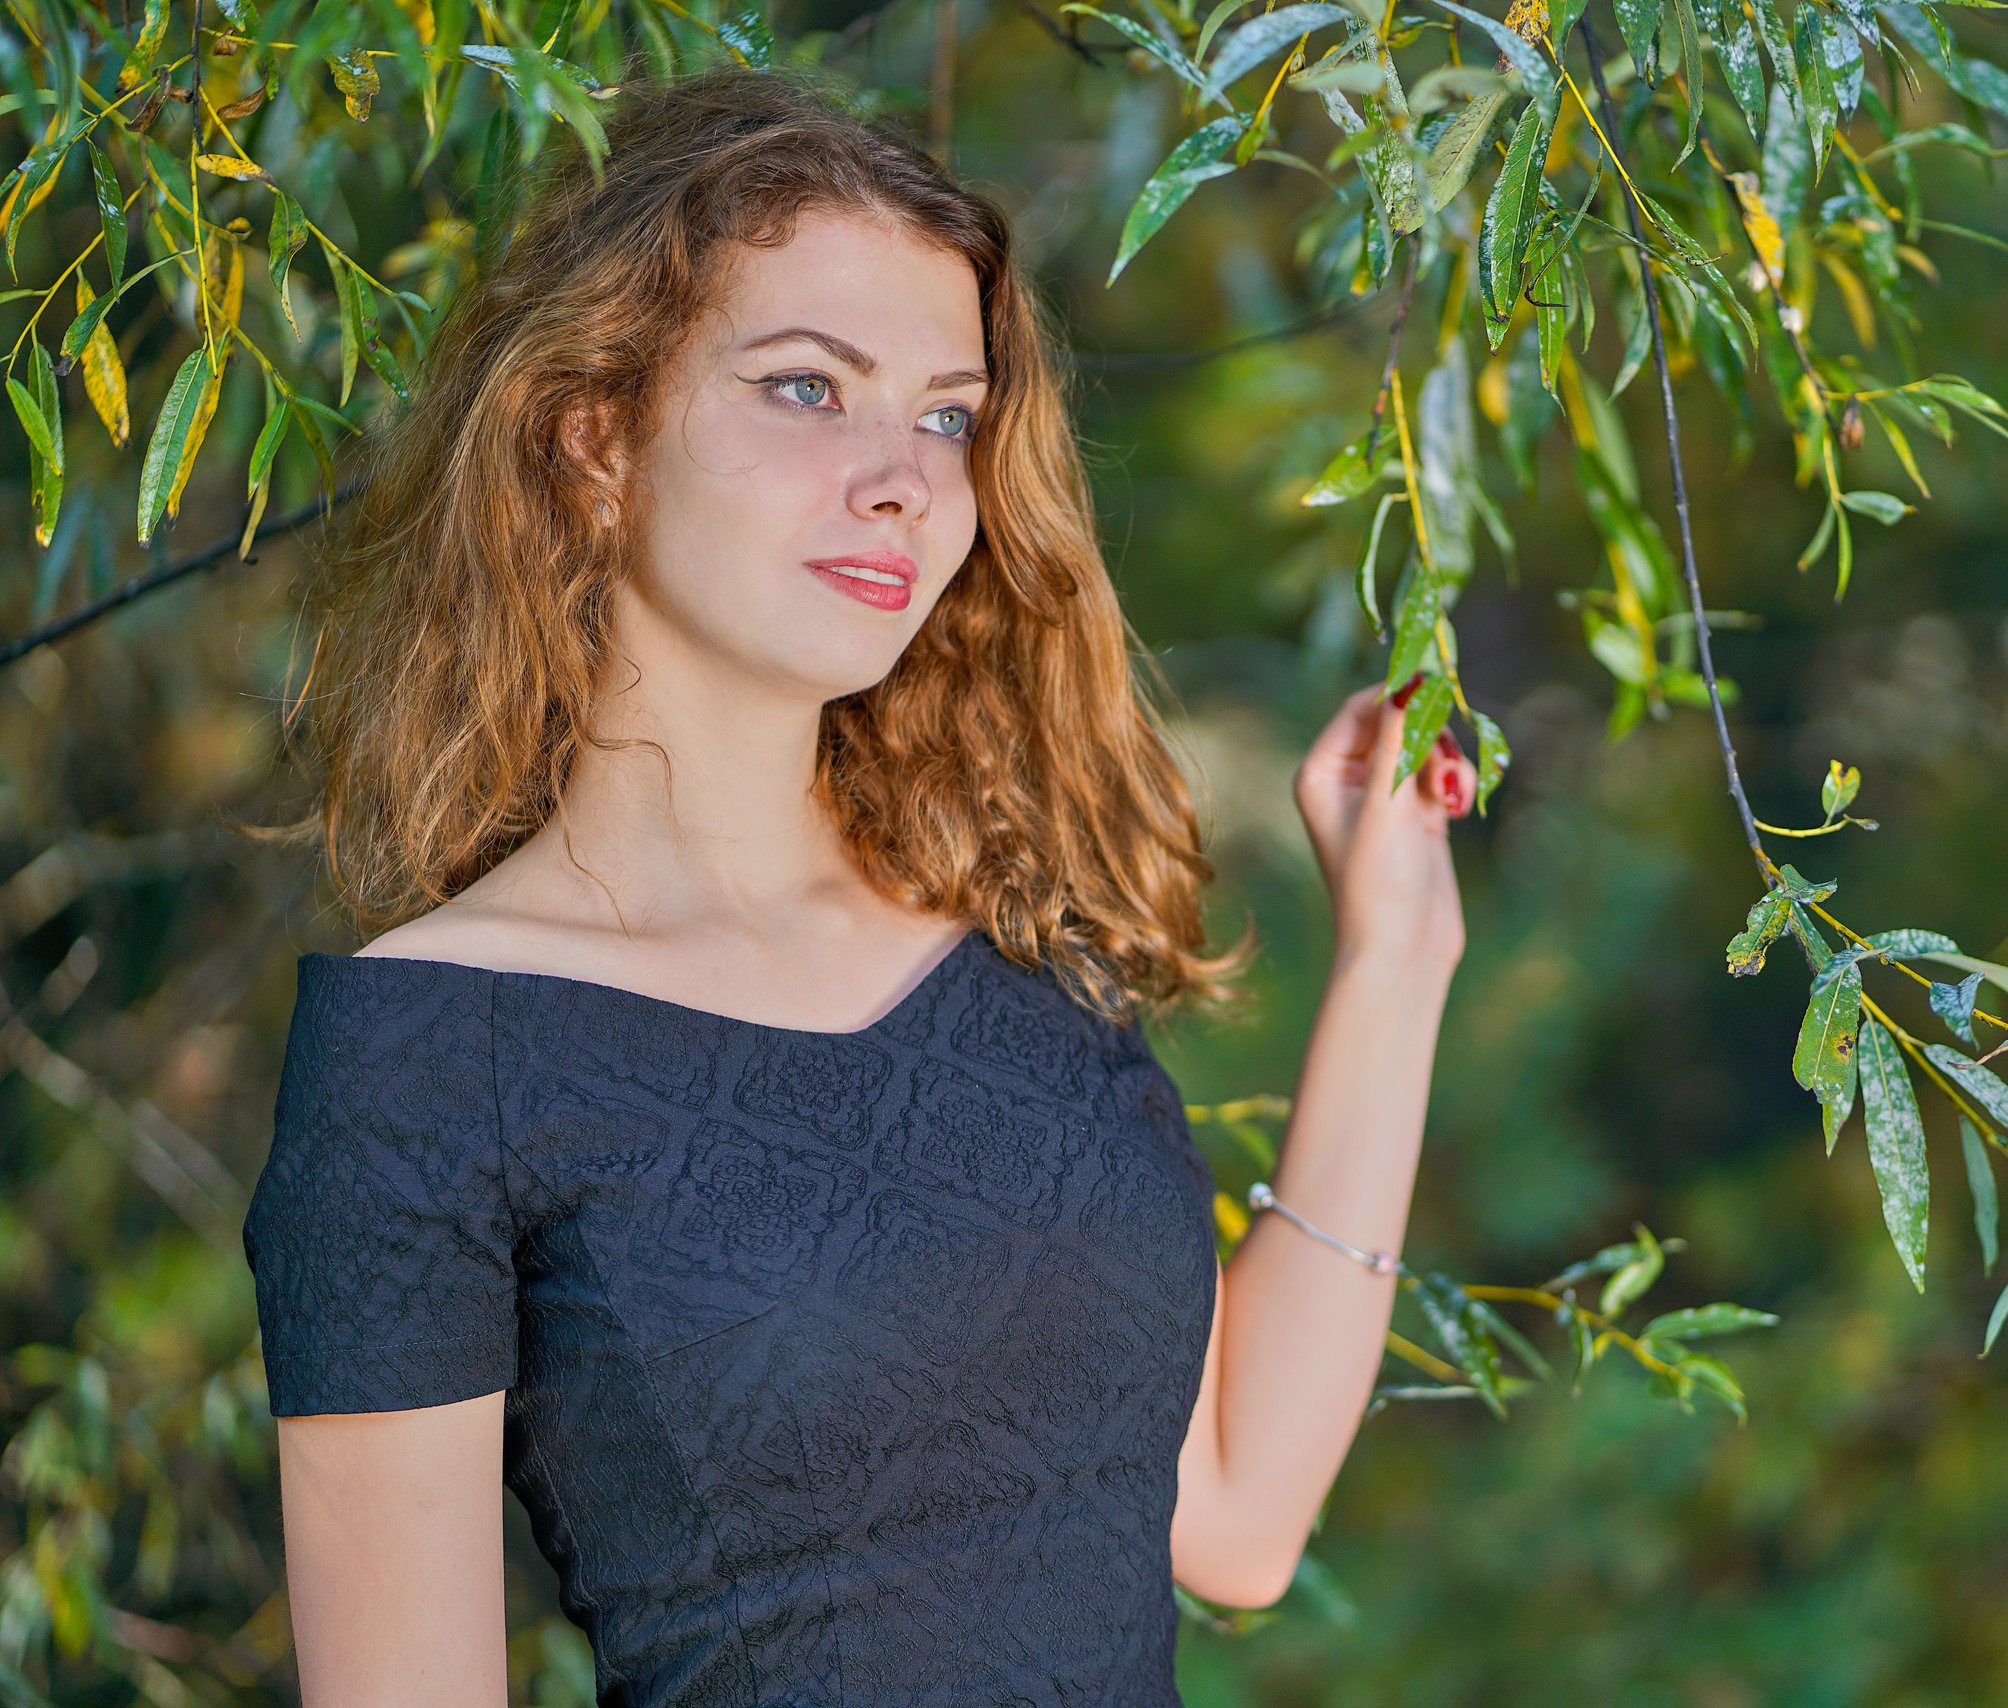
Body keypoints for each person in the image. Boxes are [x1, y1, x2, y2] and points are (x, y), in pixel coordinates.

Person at [242, 67, 1479, 1708]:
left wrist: (1398, 953)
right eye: (810, 390)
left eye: (948, 414)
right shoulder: (422, 1059)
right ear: (594, 439)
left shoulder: (1019, 960)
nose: (904, 475)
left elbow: (1236, 1513)